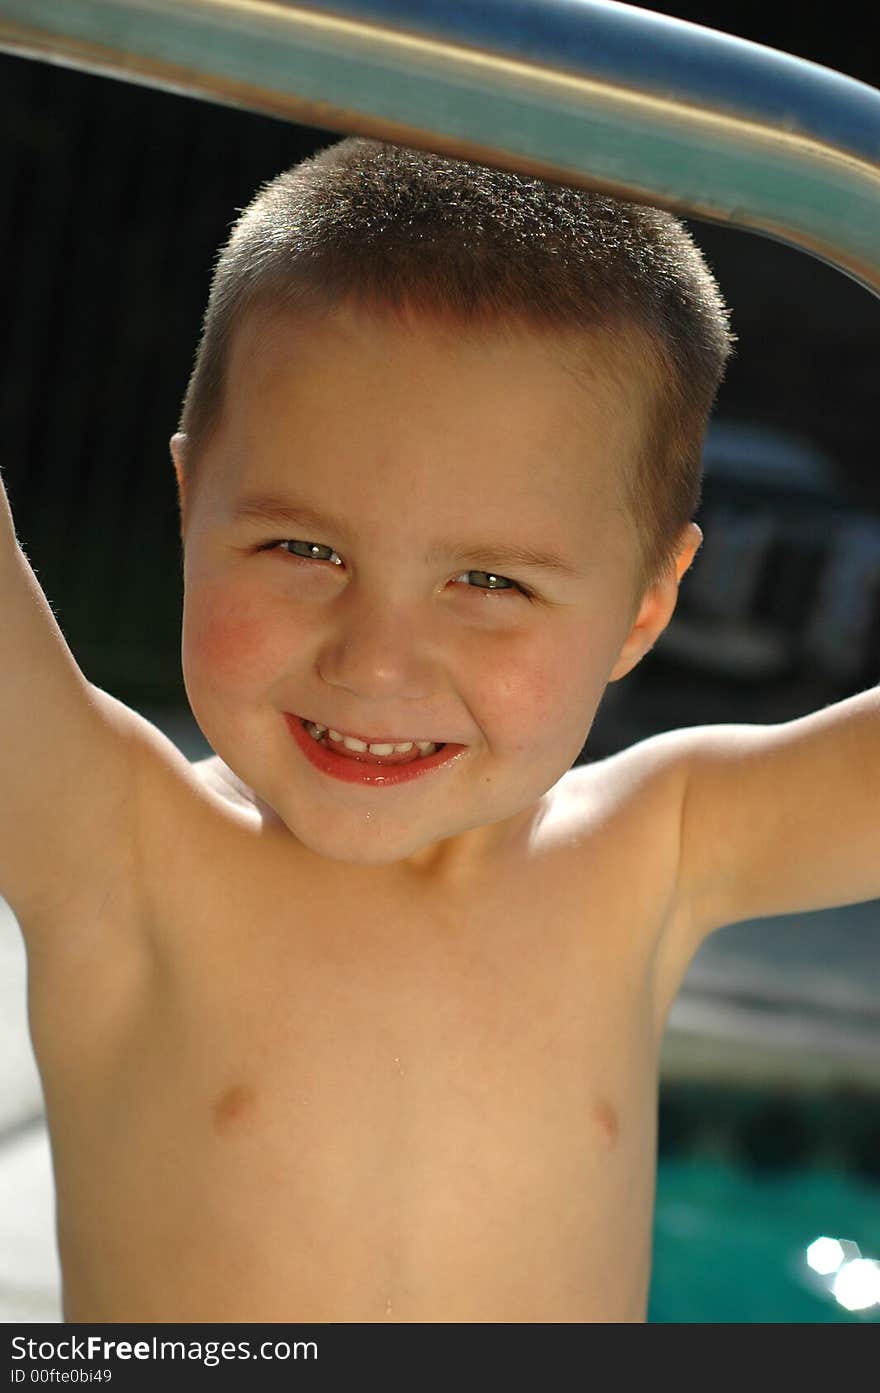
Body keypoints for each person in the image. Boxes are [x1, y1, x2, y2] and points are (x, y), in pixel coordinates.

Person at [1, 136, 876, 1323]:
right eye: (302, 549)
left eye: (491, 583)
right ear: (187, 505)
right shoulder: (114, 847)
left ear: (643, 609)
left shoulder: (655, 847)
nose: (375, 660)